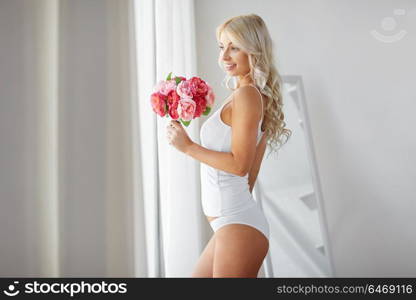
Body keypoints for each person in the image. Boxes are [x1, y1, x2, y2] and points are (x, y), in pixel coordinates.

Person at [165, 14, 291, 278]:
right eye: (222, 47)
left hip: (237, 224)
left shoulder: (247, 96)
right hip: (231, 224)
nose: (224, 56)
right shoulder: (247, 96)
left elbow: (240, 166)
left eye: (234, 47)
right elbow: (250, 175)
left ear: (254, 50)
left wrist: (187, 147)